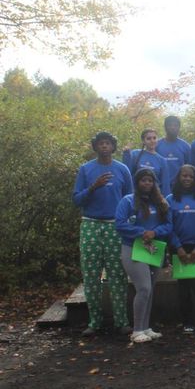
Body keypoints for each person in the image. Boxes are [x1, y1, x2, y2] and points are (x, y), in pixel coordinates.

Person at [72, 131, 133, 337]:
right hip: (90, 224)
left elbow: (130, 200)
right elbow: (77, 200)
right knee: (91, 274)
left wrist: (129, 224)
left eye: (108, 143)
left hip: (115, 226)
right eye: (100, 143)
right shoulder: (86, 169)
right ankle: (95, 322)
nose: (104, 146)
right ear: (95, 147)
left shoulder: (122, 169)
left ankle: (121, 322)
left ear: (113, 147)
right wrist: (93, 187)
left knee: (117, 274)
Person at [115, 168, 173, 343]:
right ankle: (137, 330)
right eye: (143, 180)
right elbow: (120, 224)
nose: (147, 183)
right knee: (144, 288)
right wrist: (142, 232)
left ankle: (146, 327)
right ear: (137, 182)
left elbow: (169, 226)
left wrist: (154, 233)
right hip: (133, 249)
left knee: (150, 290)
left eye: (150, 180)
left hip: (154, 249)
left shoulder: (160, 202)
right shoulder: (127, 201)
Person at [167, 165, 195, 334]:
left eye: (190, 176)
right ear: (179, 177)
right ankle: (188, 322)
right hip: (178, 249)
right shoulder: (171, 199)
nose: (187, 179)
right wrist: (177, 247)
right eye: (184, 176)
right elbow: (168, 225)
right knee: (184, 288)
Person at [123, 128, 171, 195]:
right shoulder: (135, 154)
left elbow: (165, 184)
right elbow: (127, 173)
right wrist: (126, 154)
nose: (152, 141)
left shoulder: (162, 160)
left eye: (154, 138)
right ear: (143, 141)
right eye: (149, 138)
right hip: (137, 196)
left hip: (154, 196)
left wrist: (165, 201)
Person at [156, 116, 191, 183]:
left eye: (175, 125)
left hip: (180, 186)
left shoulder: (186, 146)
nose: (173, 127)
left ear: (179, 128)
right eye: (170, 125)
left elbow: (190, 168)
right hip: (160, 185)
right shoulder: (157, 145)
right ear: (165, 127)